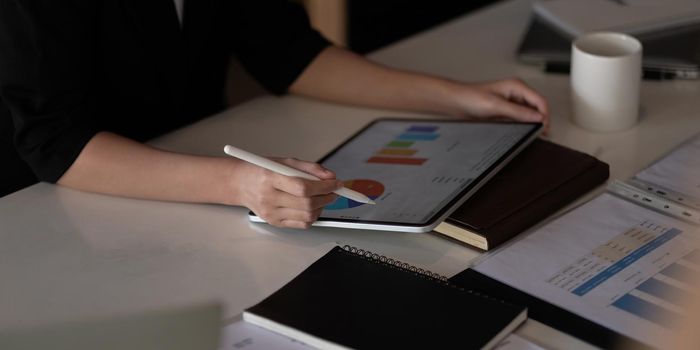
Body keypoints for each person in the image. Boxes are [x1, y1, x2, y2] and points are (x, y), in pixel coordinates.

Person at [0, 0, 548, 228]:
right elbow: (56, 143)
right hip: (52, 205)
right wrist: (240, 184)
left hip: (183, 189)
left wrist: (461, 98)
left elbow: (290, 54)